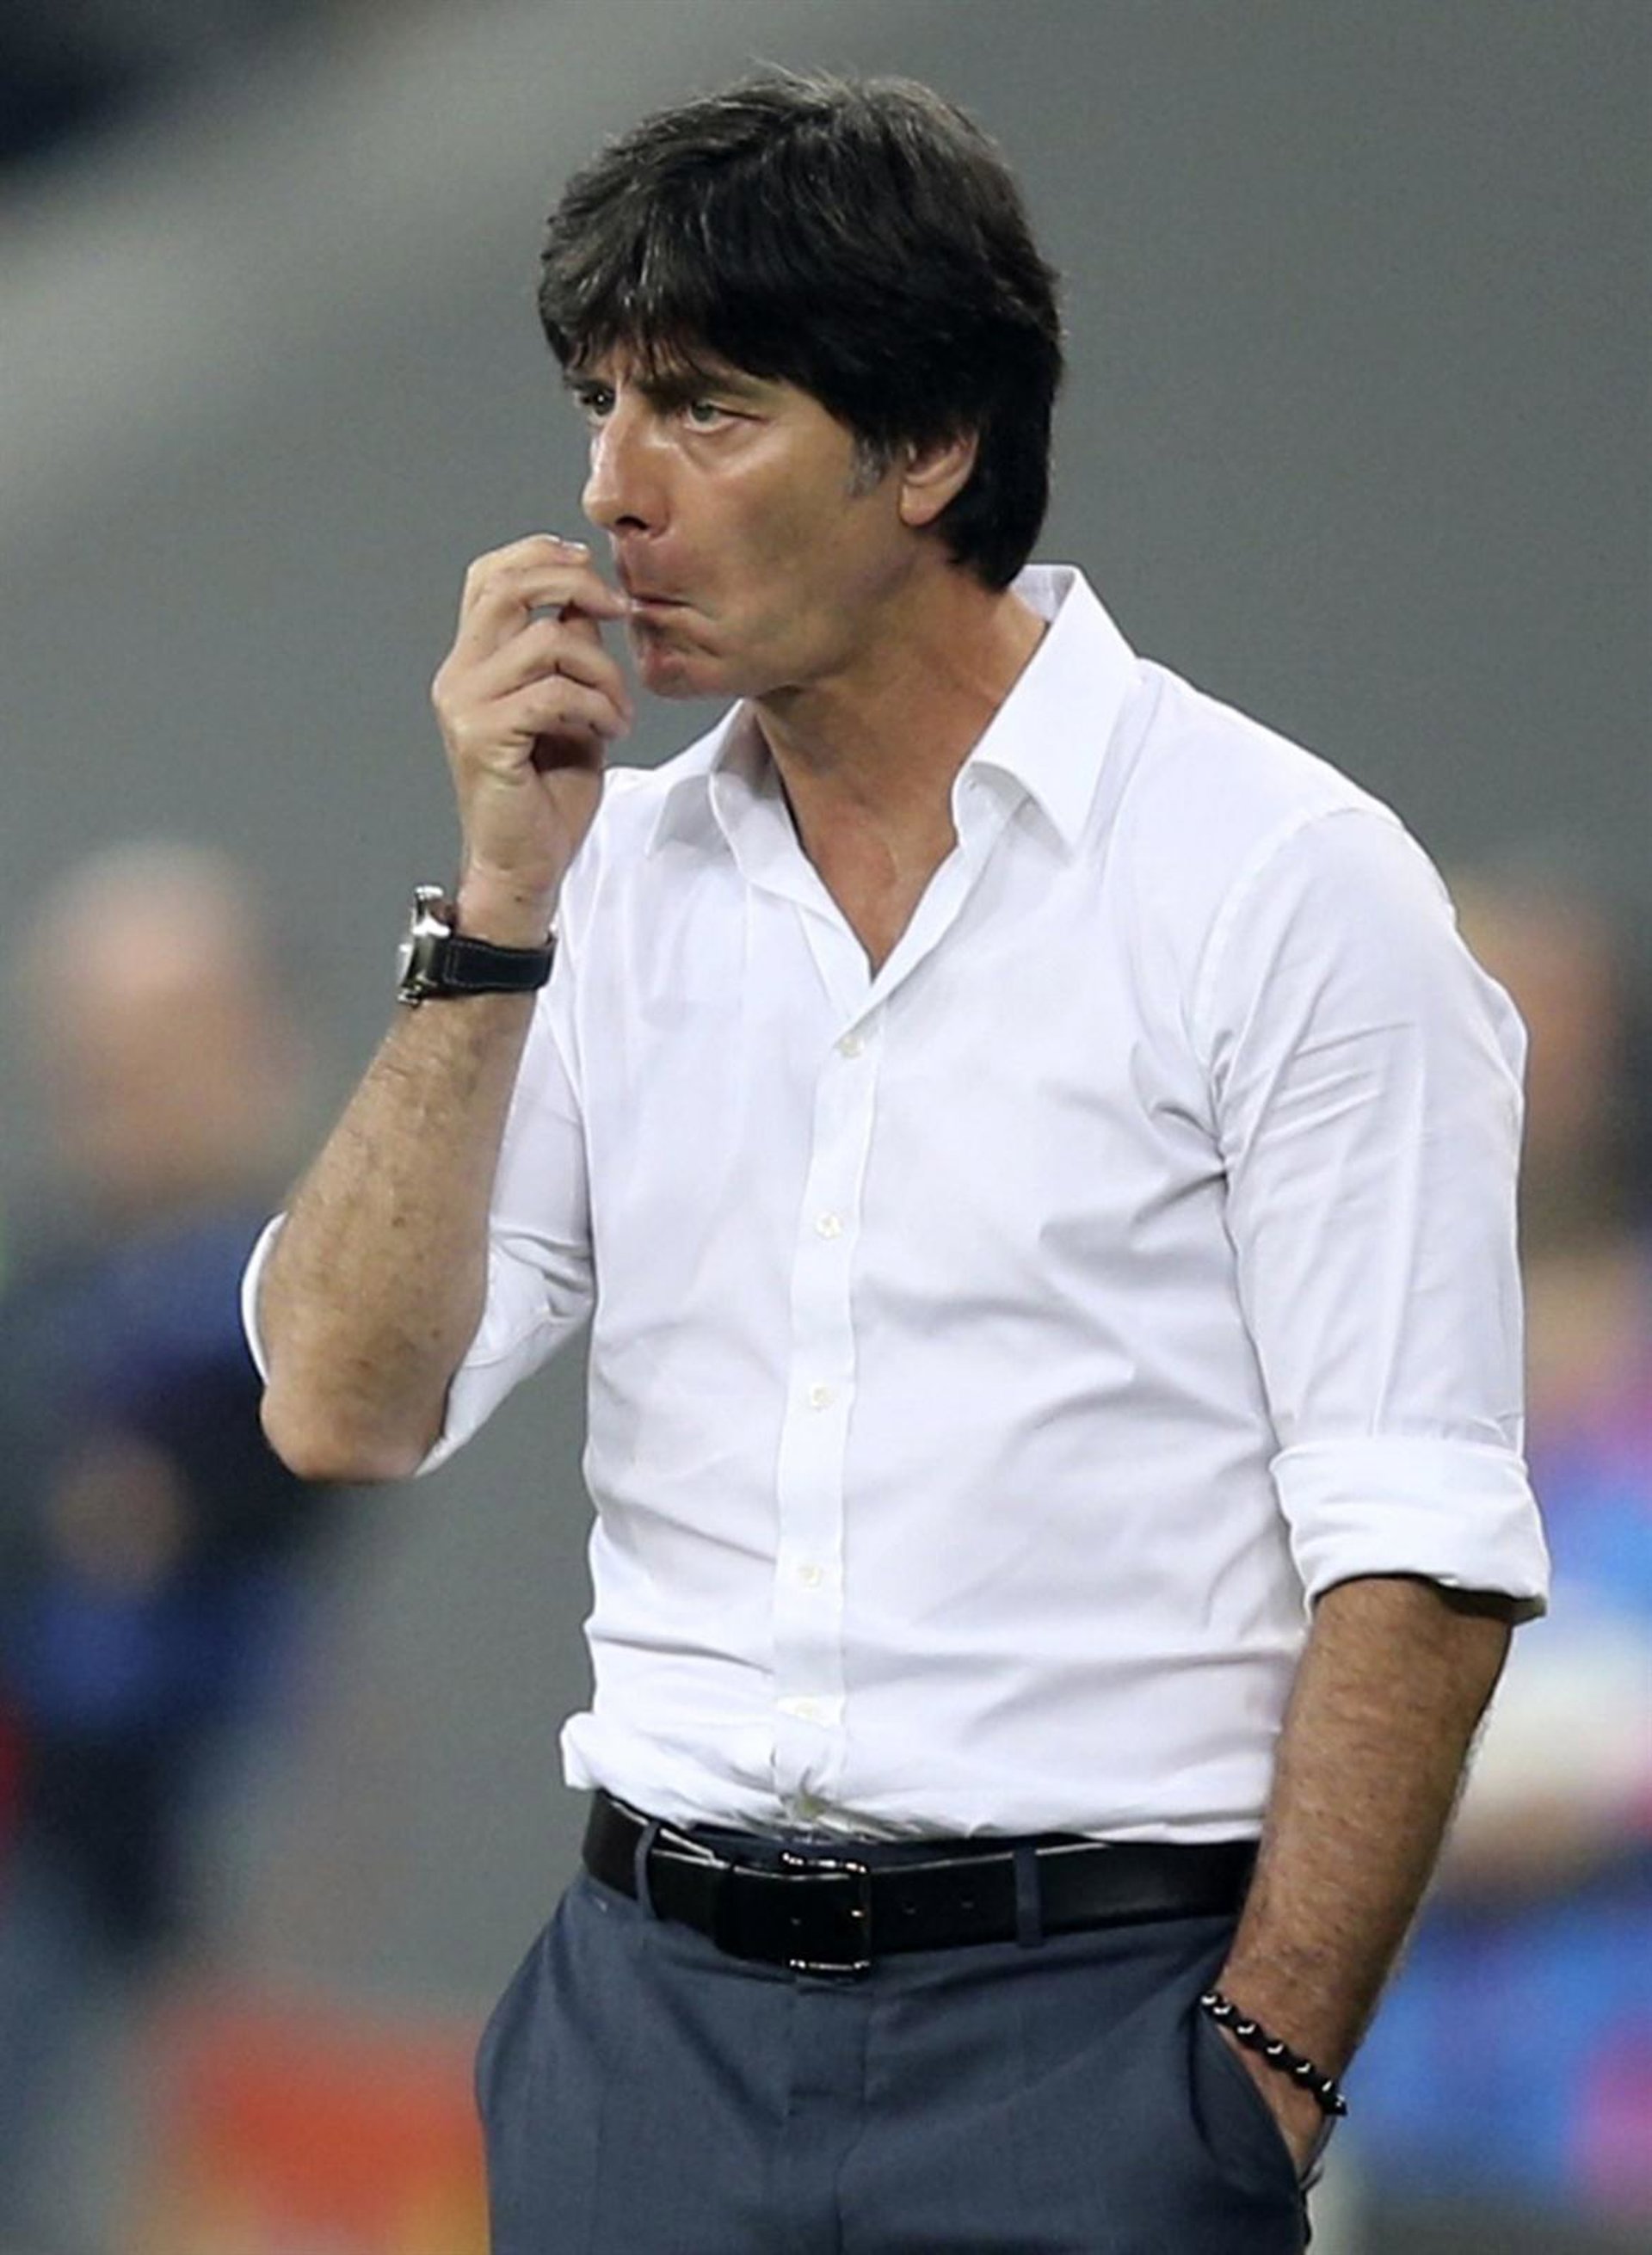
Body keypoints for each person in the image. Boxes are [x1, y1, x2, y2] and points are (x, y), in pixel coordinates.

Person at [247, 71, 1550, 2254]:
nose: (613, 494)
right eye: (599, 407)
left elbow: (1416, 1551)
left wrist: (1260, 2088)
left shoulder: (1283, 883)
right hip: (638, 2038)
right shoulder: (599, 889)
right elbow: (337, 1406)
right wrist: (495, 916)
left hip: (1088, 2036)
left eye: (708, 410)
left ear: (931, 445)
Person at [0, 843, 342, 2252]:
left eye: (162, 1038)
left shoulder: (290, 1301)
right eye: (87, 1042)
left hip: (182, 1836)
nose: (116, 1081)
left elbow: (148, 1517)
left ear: (260, 1048)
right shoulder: (57, 1291)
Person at [1344, 872, 1652, 2255]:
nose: (1514, 1071)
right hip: (1364, 2113)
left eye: (1549, 1027)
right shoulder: (1305, 1358)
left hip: (1612, 2119)